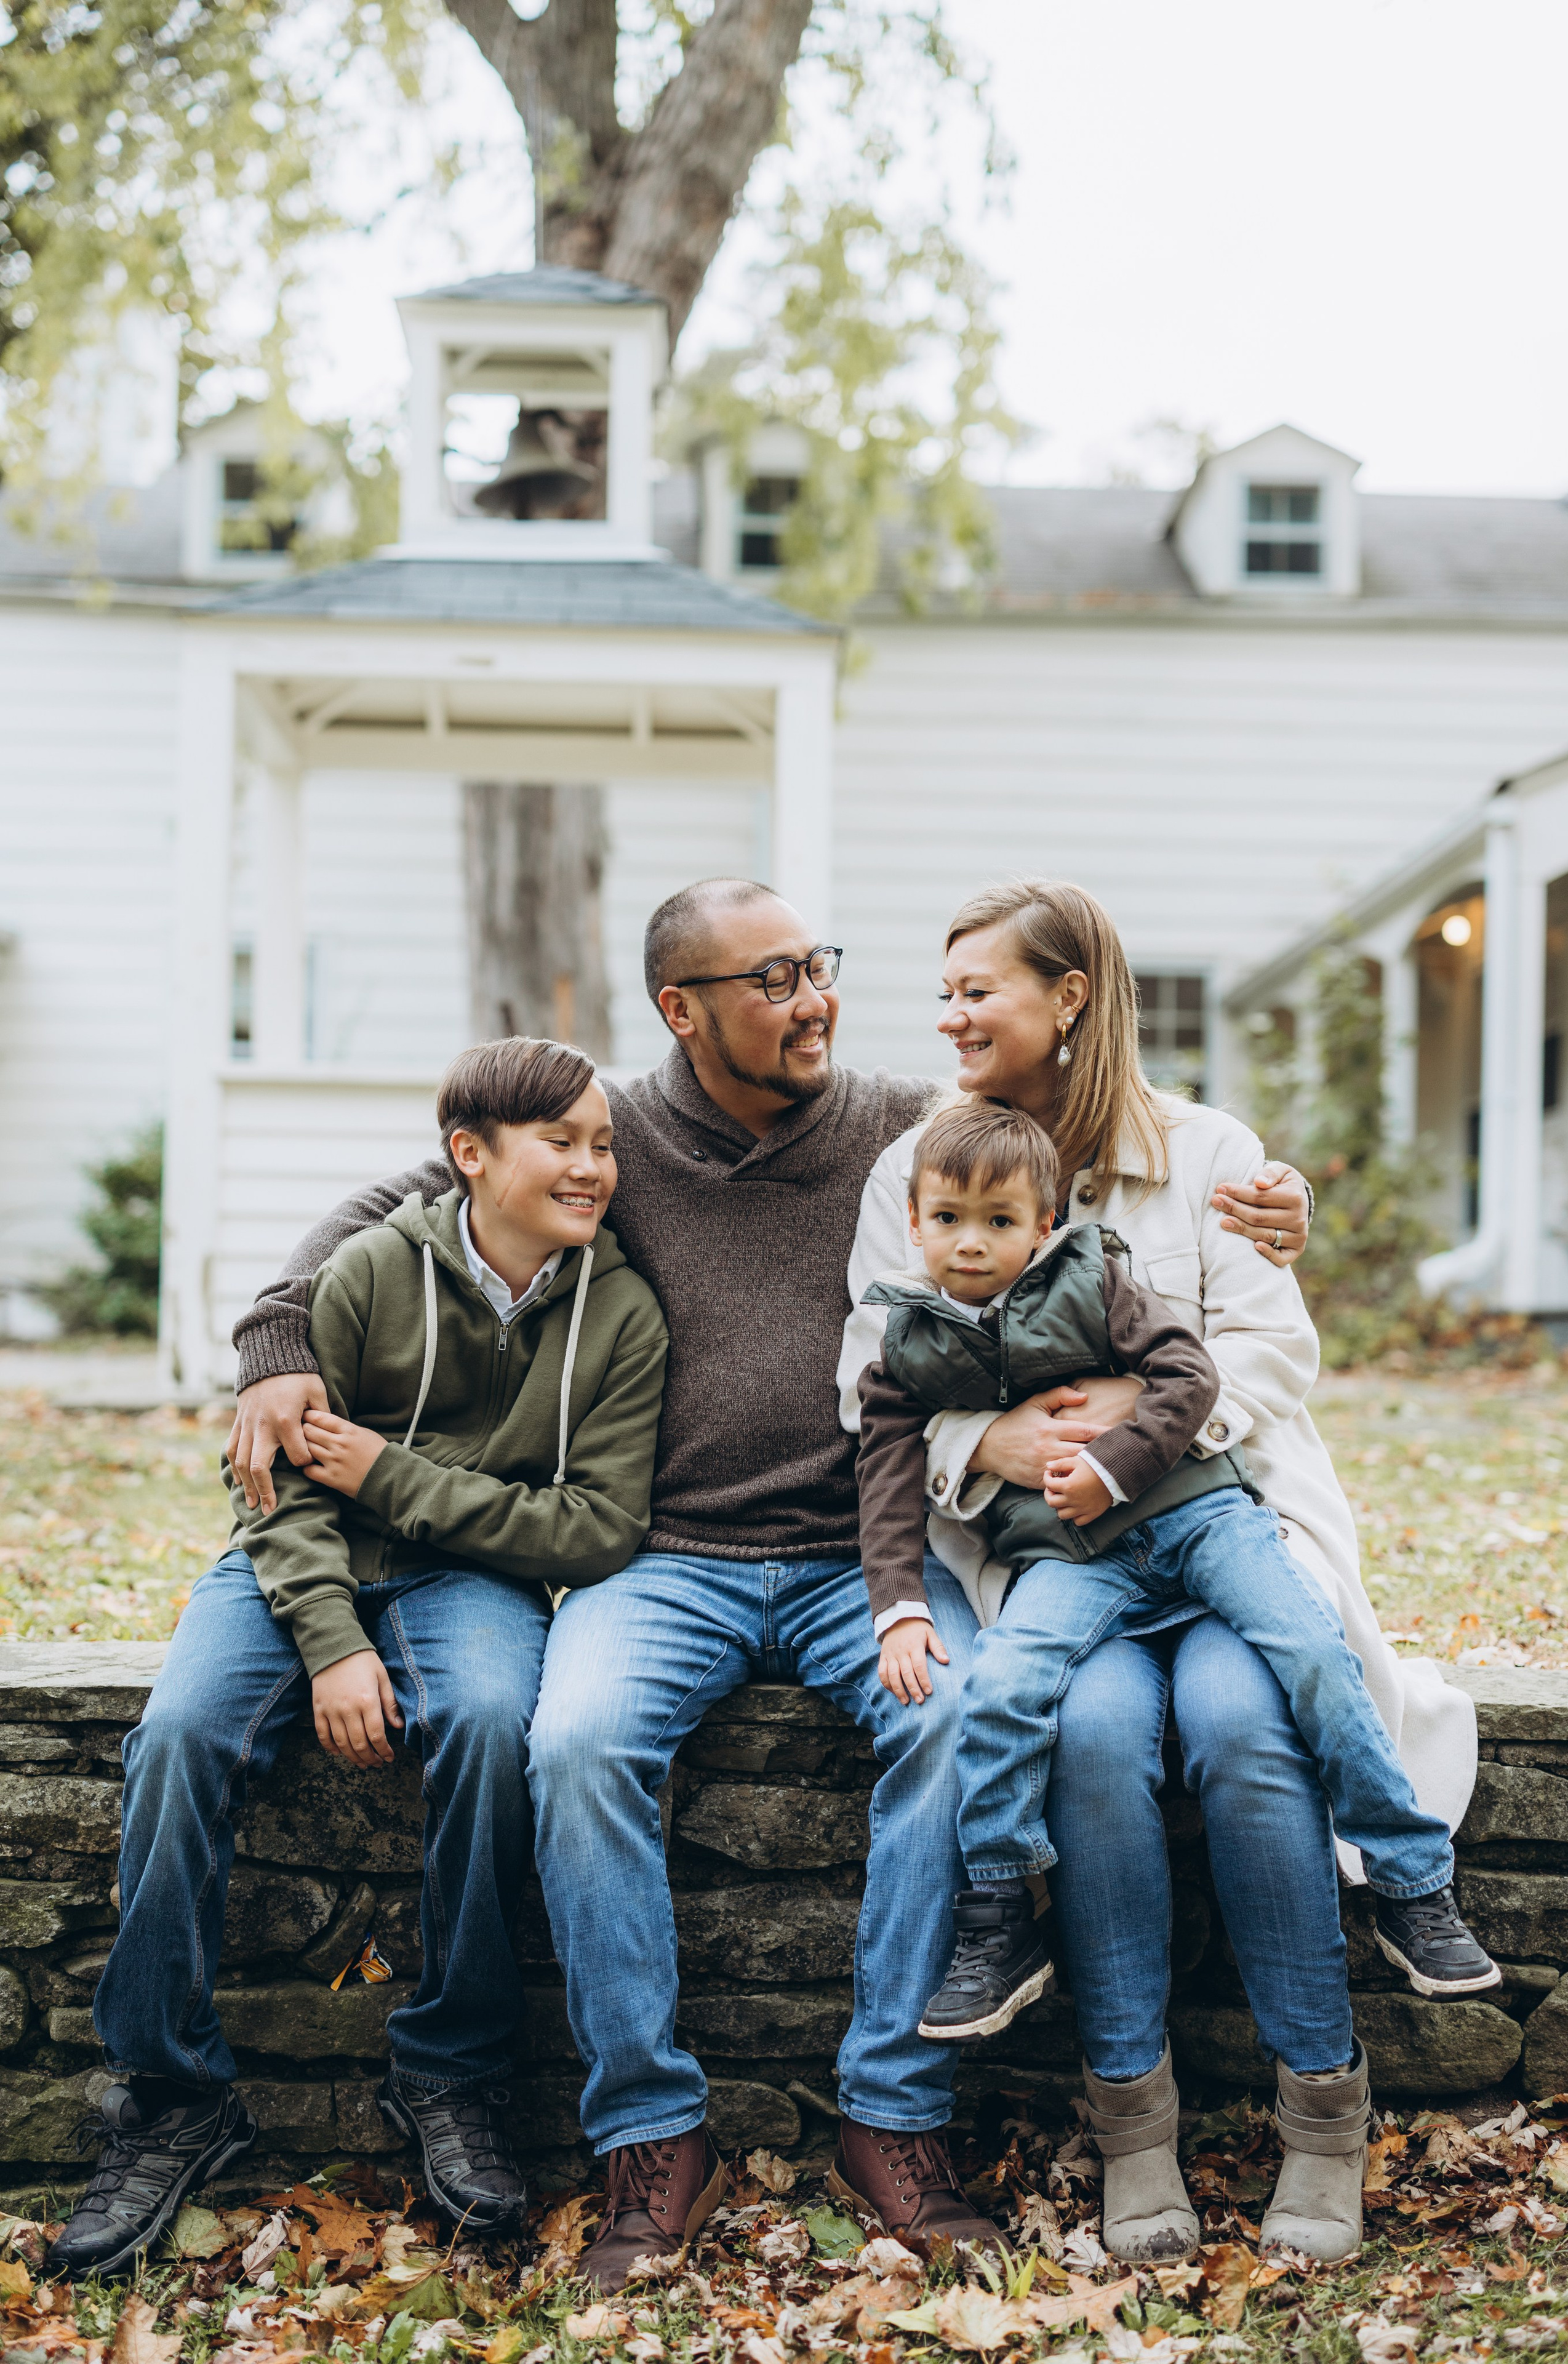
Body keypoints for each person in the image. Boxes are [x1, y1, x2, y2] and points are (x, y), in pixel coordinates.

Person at [222, 877, 1313, 2288]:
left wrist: (1272, 1194)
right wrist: (274, 1333)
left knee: (956, 1715)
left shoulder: (892, 1121)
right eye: (774, 979)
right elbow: (413, 1187)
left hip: (867, 1554)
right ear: (680, 1008)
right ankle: (645, 2133)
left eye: (819, 967)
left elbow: (1074, 1117)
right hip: (661, 1558)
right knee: (575, 1740)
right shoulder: (611, 1137)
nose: (814, 1000)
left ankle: (893, 2112)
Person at [840, 878, 1486, 2268]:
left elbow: (1263, 1353)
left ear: (1068, 997)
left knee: (1250, 1729)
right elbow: (870, 1370)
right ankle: (1134, 2123)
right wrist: (994, 1438)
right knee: (1086, 1732)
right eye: (940, 991)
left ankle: (1322, 2111)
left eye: (977, 990)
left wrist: (1132, 1438)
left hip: (1209, 1523)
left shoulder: (1205, 1153)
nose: (947, 1014)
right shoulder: (918, 1165)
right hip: (1045, 1544)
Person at [47, 1038, 668, 2278]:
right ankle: (170, 2092)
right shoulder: (369, 1270)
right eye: (563, 1141)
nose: (594, 1166)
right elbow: (279, 1487)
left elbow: (596, 1528)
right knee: (174, 1736)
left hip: (470, 1578)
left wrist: (398, 1477)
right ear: (470, 1156)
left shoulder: (622, 1315)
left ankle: (449, 2072)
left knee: (495, 1725)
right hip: (294, 1558)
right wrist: (331, 1645)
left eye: (603, 1142)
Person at [854, 1094, 1495, 2051]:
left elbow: (1192, 1374)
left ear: (1044, 1226)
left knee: (1312, 1652)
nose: (972, 1244)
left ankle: (1410, 1877)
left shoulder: (1095, 1273)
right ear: (914, 1223)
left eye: (999, 1223)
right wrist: (900, 1606)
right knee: (1000, 1684)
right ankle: (997, 1910)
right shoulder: (903, 1344)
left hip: (1196, 1515)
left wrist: (1113, 1464)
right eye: (948, 1220)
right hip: (1076, 1560)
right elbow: (887, 1472)